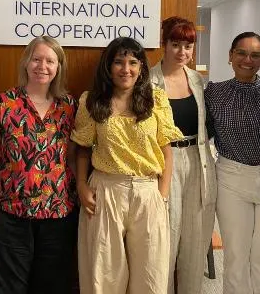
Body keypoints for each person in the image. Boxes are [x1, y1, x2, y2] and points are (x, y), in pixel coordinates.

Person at [72, 36, 183, 294]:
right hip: (105, 190)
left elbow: (167, 152)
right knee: (104, 274)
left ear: (142, 67)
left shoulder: (156, 99)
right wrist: (80, 184)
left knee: (150, 275)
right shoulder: (92, 101)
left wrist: (162, 196)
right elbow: (83, 149)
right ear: (108, 67)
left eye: (133, 62)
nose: (126, 69)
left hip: (148, 191)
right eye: (119, 62)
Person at [0, 36, 78, 294]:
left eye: (50, 61)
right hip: (10, 218)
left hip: (58, 218)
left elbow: (74, 159)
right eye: (36, 59)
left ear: (58, 67)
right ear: (25, 63)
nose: (42, 66)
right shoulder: (1, 105)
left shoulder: (69, 107)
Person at [205, 32, 260, 294]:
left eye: (255, 55)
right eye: (241, 53)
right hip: (231, 179)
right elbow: (201, 135)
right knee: (236, 257)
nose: (247, 60)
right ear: (230, 56)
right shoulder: (215, 93)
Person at [150, 16, 216, 294]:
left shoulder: (197, 81)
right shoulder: (148, 81)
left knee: (195, 240)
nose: (182, 52)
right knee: (162, 243)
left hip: (198, 162)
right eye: (175, 44)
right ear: (164, 45)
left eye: (188, 46)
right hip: (163, 164)